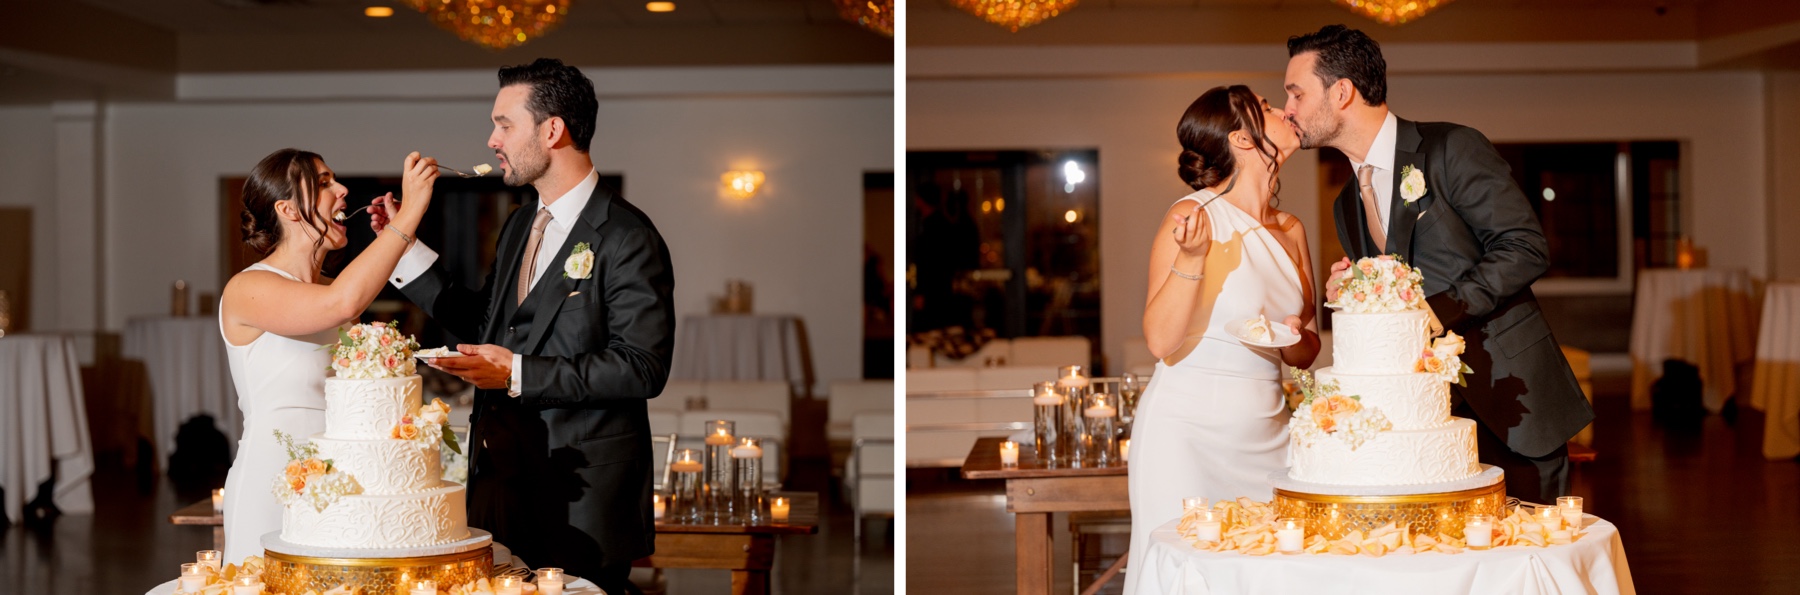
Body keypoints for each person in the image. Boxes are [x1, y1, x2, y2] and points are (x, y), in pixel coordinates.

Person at [373, 58, 674, 594]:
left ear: (552, 129)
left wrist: (519, 373)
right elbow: (488, 325)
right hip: (499, 489)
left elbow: (642, 367)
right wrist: (405, 248)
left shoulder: (628, 236)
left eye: (504, 124)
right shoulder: (519, 224)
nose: (492, 139)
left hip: (582, 499)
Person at [1282, 24, 1593, 503]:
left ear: (1341, 92)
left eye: (1296, 93)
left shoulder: (1451, 148)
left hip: (1510, 397)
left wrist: (1437, 310)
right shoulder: (1345, 203)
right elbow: (1396, 290)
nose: (1289, 110)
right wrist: (1359, 293)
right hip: (1422, 425)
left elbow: (1524, 246)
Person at [1123, 85, 1321, 595]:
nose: (1287, 112)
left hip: (1269, 430)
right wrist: (1191, 260)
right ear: (1243, 138)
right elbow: (1161, 341)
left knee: (1277, 573)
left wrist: (1294, 337)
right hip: (1187, 432)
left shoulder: (1291, 229)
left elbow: (1307, 348)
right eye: (1272, 110)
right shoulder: (1191, 217)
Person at [217, 149, 440, 564]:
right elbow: (342, 302)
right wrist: (410, 214)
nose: (342, 190)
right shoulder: (248, 288)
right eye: (323, 183)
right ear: (288, 209)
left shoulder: (334, 287)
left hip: (343, 481)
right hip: (274, 475)